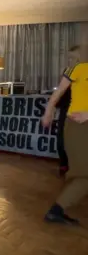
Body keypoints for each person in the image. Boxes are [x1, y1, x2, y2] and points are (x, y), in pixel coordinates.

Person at [41, 46, 88, 225]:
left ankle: (57, 209)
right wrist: (48, 111)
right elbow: (58, 93)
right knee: (83, 173)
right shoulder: (77, 69)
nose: (72, 60)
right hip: (77, 125)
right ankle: (57, 210)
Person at [54, 45, 80, 177]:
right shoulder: (68, 71)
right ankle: (64, 164)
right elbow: (61, 91)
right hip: (67, 109)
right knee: (62, 138)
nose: (71, 60)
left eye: (74, 57)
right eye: (70, 58)